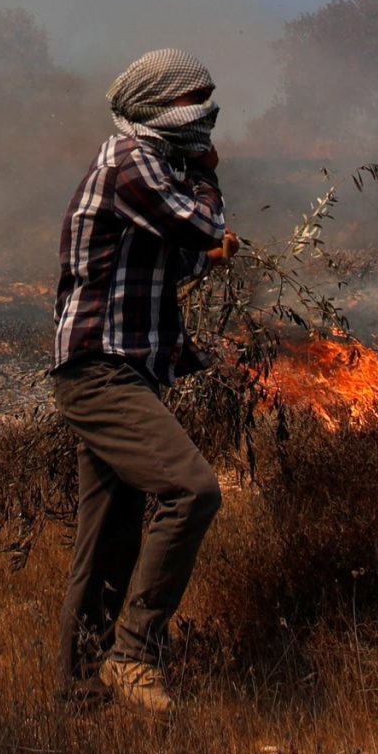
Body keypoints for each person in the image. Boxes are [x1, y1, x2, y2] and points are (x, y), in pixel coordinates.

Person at [49, 47, 240, 714]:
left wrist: (206, 259)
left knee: (105, 542)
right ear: (164, 109)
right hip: (103, 373)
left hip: (119, 371)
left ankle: (79, 701)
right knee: (192, 491)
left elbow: (170, 269)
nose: (209, 118)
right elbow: (205, 224)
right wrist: (211, 181)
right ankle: (132, 657)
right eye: (199, 102)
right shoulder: (133, 164)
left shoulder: (152, 165)